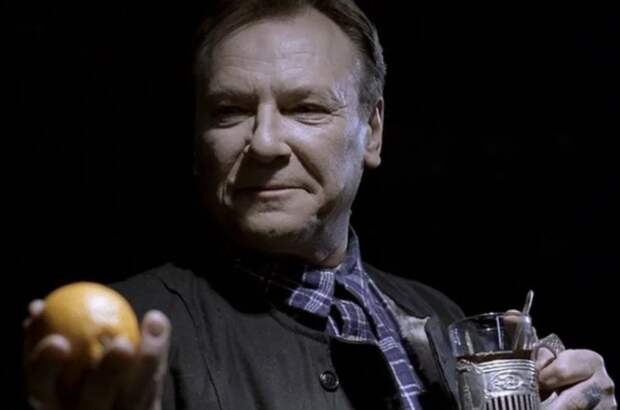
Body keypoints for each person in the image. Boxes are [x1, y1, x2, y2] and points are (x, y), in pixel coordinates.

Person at [23, 1, 616, 409]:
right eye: (229, 111)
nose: (264, 143)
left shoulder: (439, 316)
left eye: (306, 108)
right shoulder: (128, 340)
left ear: (372, 132)